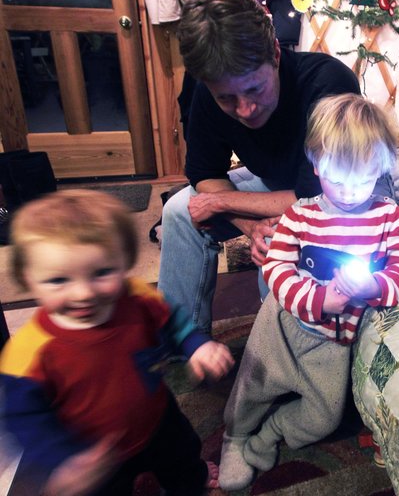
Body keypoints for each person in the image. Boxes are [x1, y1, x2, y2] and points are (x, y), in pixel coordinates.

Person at [158, 0, 393, 335]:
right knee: (178, 211)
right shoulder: (208, 91)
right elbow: (205, 173)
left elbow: (314, 197)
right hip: (280, 184)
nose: (245, 109)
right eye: (227, 99)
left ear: (276, 56)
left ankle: (284, 351)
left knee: (281, 242)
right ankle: (183, 343)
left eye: (255, 89)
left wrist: (223, 202)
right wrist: (248, 225)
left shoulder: (327, 83)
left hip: (345, 190)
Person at [218, 94, 399, 490]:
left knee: (323, 417)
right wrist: (319, 299)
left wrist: (374, 285)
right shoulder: (300, 216)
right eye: (337, 179)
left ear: (380, 170)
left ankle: (271, 432)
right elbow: (276, 268)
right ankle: (235, 437)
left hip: (335, 343)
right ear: (315, 163)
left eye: (363, 180)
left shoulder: (387, 216)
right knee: (251, 388)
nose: (349, 193)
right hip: (283, 325)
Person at [0, 189, 234, 496]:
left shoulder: (136, 296)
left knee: (181, 455)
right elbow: (24, 417)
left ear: (124, 262)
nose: (84, 293)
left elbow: (170, 320)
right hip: (91, 454)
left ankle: (192, 477)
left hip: (157, 415)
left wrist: (196, 344)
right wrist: (60, 460)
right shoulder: (27, 353)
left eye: (101, 273)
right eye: (58, 280)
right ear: (28, 278)